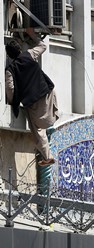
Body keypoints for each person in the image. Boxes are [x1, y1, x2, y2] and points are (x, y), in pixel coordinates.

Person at [5, 28, 59, 166]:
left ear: (9, 56)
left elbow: (10, 89)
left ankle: (47, 156)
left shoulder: (10, 70)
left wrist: (11, 102)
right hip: (48, 93)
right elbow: (43, 46)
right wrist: (32, 34)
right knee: (44, 126)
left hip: (34, 101)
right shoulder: (29, 54)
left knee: (37, 130)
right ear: (19, 50)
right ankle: (48, 155)